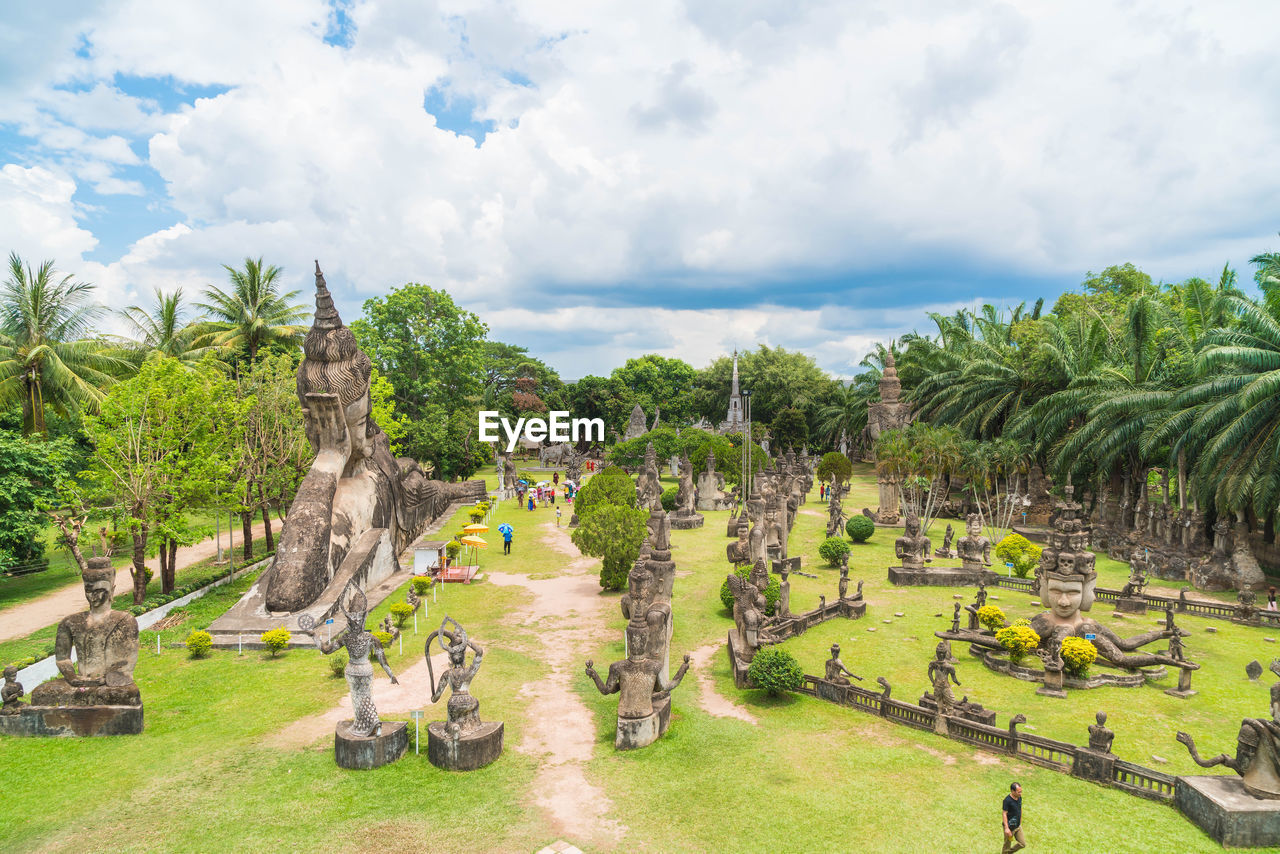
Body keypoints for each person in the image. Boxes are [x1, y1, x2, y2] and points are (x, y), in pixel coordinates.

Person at [1001, 782, 1025, 853]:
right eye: (1019, 792)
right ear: (1012, 791)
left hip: (1017, 826)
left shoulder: (1019, 798)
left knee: (1022, 844)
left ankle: (1009, 852)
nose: (1020, 793)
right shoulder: (1007, 800)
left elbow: (1020, 808)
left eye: (1021, 791)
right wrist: (1006, 828)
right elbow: (1004, 813)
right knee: (1007, 845)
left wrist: (1020, 820)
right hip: (1009, 827)